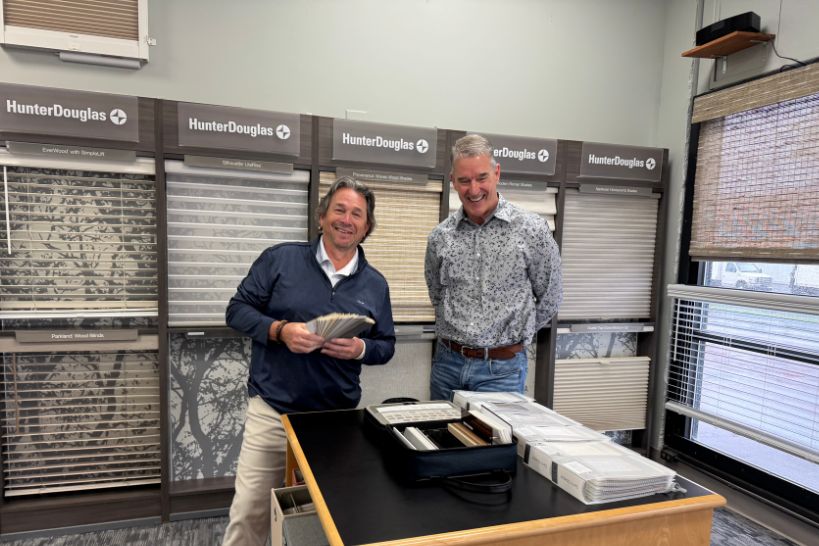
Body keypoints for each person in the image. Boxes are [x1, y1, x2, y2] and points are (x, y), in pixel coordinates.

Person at [222, 176, 395, 546]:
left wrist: (361, 350)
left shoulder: (375, 285)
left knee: (327, 519)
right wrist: (280, 330)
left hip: (334, 421)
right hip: (273, 413)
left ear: (366, 228)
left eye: (357, 214)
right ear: (322, 216)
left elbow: (386, 344)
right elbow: (236, 311)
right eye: (340, 209)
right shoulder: (280, 259)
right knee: (249, 514)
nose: (346, 219)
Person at [424, 133, 562, 401]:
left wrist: (512, 337)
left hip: (503, 372)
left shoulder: (531, 230)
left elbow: (551, 296)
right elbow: (437, 294)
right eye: (464, 180)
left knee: (495, 443)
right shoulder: (441, 237)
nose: (473, 190)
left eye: (481, 177)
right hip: (447, 366)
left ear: (497, 173)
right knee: (442, 440)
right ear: (452, 182)